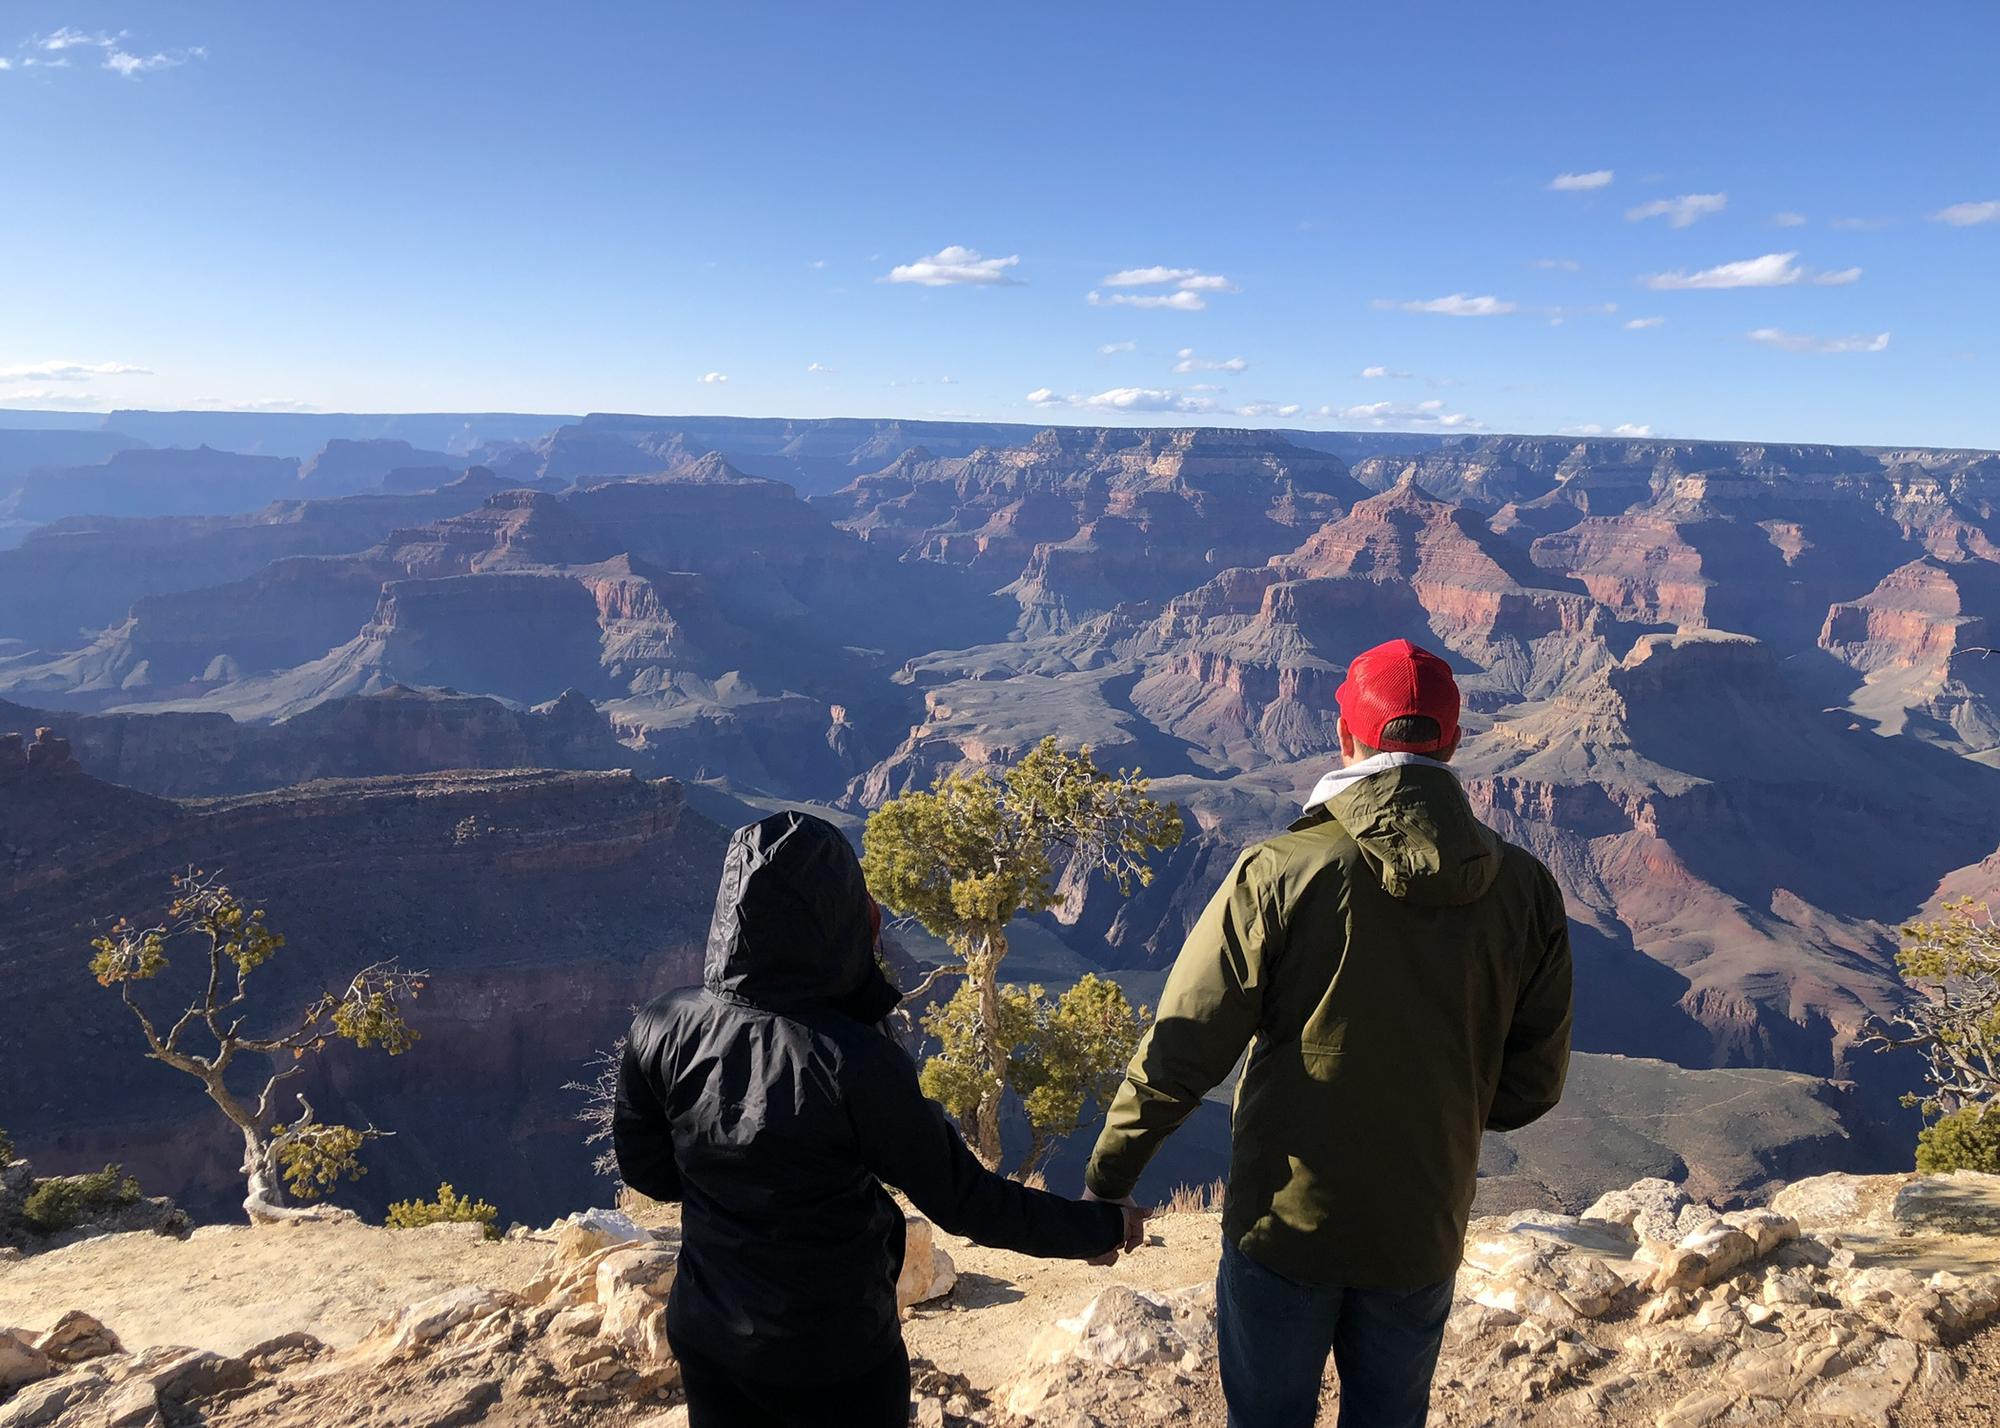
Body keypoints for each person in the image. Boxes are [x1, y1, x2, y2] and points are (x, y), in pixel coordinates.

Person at [1083, 637, 1573, 1428]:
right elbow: (1531, 1086)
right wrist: (1430, 1108)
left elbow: (1182, 1051)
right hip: (1421, 1227)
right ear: (1452, 742)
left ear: (1345, 736)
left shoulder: (1278, 872)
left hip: (1285, 1234)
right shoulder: (1527, 889)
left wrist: (1108, 1185)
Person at [614, 809, 1144, 1428]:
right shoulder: (855, 1062)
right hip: (832, 1356)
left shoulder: (662, 1025)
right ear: (834, 916)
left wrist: (739, 1190)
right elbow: (967, 1202)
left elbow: (649, 1173)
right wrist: (1101, 1227)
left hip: (709, 1333)